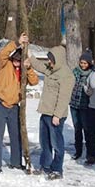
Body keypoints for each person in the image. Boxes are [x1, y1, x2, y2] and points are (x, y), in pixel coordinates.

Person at [0, 33, 39, 173]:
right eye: (15, 60)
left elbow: (34, 81)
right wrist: (17, 43)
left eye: (19, 61)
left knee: (16, 136)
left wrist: (28, 68)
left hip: (14, 107)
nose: (17, 63)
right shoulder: (4, 66)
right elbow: (1, 54)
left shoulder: (23, 70)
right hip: (0, 104)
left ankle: (16, 162)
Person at [28, 44, 75, 180]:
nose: (49, 62)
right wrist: (29, 54)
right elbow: (38, 65)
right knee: (45, 142)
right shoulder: (51, 69)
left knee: (56, 144)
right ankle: (45, 165)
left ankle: (57, 169)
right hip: (45, 112)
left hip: (56, 115)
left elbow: (63, 98)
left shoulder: (66, 76)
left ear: (58, 59)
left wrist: (57, 115)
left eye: (51, 59)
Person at [69, 49, 93, 160]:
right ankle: (78, 151)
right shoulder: (75, 71)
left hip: (85, 105)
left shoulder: (92, 73)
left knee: (86, 128)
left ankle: (89, 151)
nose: (83, 65)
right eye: (81, 63)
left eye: (85, 63)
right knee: (77, 128)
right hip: (74, 104)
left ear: (89, 63)